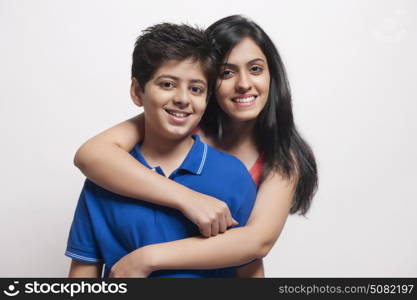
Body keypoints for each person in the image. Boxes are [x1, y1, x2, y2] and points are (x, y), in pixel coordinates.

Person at [74, 15, 318, 278]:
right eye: (227, 72)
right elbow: (92, 155)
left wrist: (147, 258)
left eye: (256, 69)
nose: (244, 83)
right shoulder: (178, 124)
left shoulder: (280, 157)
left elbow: (255, 244)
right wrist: (188, 199)